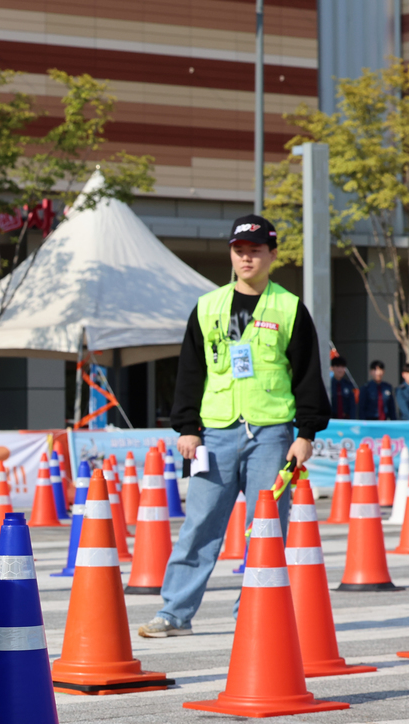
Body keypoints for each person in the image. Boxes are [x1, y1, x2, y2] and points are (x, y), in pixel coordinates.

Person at [139, 215, 331, 637]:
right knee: (200, 523)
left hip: (272, 432)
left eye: (256, 250)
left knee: (266, 525)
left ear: (272, 255)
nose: (247, 257)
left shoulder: (289, 307)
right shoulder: (207, 307)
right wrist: (187, 427)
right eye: (240, 250)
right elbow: (190, 372)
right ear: (231, 253)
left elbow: (308, 376)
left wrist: (306, 434)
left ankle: (257, 613)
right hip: (216, 432)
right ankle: (174, 612)